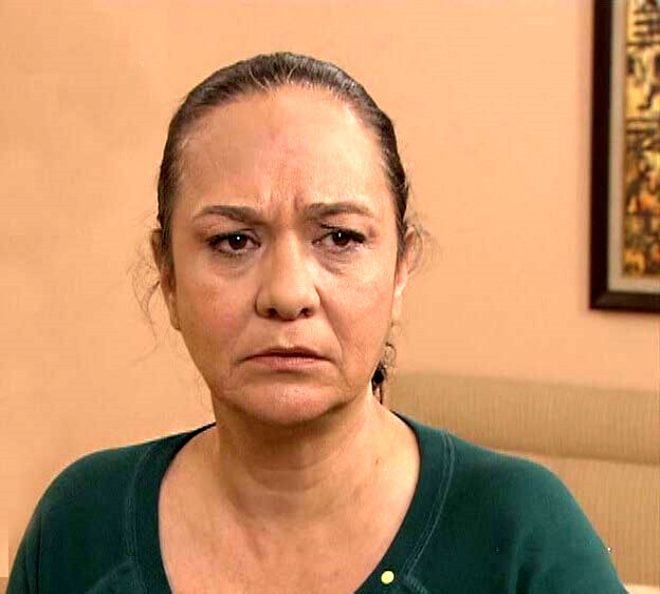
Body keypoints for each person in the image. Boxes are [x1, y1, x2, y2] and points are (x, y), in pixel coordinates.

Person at [8, 52, 626, 593]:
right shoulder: (82, 525)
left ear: (400, 268)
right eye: (232, 241)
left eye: (340, 237)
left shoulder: (519, 535)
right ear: (168, 276)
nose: (287, 294)